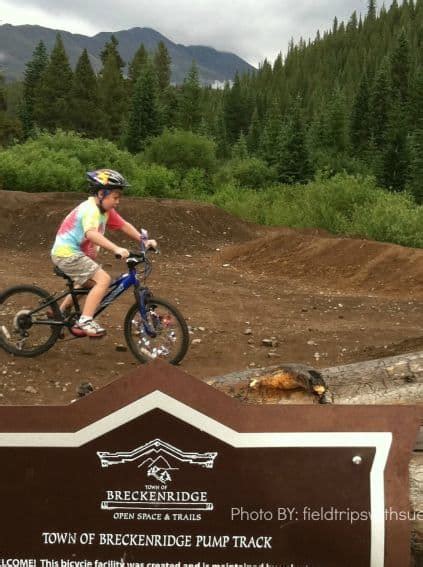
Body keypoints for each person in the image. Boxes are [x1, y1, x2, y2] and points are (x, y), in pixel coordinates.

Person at [50, 168, 156, 338]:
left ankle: (60, 312)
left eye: (119, 197)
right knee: (103, 280)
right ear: (101, 193)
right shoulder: (91, 209)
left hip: (75, 254)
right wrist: (116, 249)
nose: (118, 201)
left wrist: (143, 240)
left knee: (92, 284)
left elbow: (123, 225)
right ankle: (85, 320)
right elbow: (91, 233)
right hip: (67, 254)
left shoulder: (105, 211)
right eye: (115, 197)